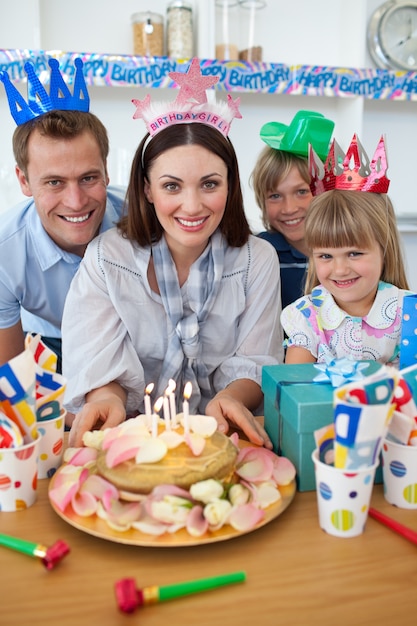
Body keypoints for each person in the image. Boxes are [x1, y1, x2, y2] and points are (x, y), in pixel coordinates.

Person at [62, 58, 284, 449]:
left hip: (220, 439)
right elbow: (98, 361)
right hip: (130, 439)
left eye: (210, 184)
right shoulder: (106, 258)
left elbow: (258, 361)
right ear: (147, 189)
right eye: (171, 186)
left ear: (231, 186)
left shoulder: (258, 260)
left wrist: (231, 398)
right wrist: (107, 400)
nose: (193, 205)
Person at [0, 58, 126, 374]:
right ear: (24, 181)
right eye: (54, 182)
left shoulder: (146, 221)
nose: (75, 201)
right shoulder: (5, 251)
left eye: (88, 178)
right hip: (45, 341)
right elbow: (11, 383)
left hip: (129, 339)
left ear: (107, 172)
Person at [281, 134, 410, 366]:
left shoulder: (409, 312)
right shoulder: (306, 318)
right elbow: (296, 391)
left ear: (383, 248)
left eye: (354, 253)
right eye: (326, 256)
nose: (340, 270)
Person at [250, 110, 335, 309]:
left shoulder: (348, 247)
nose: (289, 208)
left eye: (302, 191)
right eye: (275, 196)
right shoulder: (259, 253)